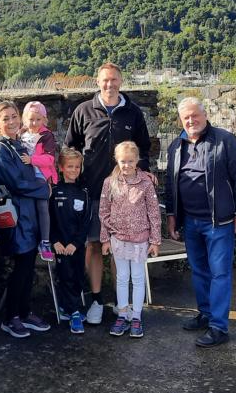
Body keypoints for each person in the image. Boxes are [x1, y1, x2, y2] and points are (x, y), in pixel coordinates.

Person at [65, 63, 152, 325]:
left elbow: (144, 149)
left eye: (114, 80)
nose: (109, 84)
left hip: (126, 195)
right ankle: (96, 301)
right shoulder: (84, 111)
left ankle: (121, 303)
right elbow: (71, 148)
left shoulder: (133, 112)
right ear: (98, 81)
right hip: (92, 191)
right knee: (93, 245)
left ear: (121, 81)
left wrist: (145, 173)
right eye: (105, 80)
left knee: (120, 250)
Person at [164, 97, 236, 348]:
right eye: (186, 118)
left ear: (205, 115)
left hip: (219, 221)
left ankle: (219, 327)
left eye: (195, 115)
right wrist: (172, 216)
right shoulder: (176, 146)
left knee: (220, 273)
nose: (191, 121)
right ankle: (205, 314)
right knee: (199, 272)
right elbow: (171, 185)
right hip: (190, 221)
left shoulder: (225, 141)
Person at [0, 101, 53, 338]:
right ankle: (11, 317)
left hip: (26, 215)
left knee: (27, 267)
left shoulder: (16, 143)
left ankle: (24, 311)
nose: (12, 122)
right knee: (21, 268)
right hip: (16, 217)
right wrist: (44, 190)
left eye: (14, 117)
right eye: (6, 119)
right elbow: (15, 184)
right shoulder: (0, 149)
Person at [99, 141, 161, 339]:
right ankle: (123, 313)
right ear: (117, 161)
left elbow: (153, 212)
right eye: (123, 161)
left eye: (130, 161)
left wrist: (155, 240)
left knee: (138, 278)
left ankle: (136, 316)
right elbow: (103, 211)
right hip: (118, 238)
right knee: (122, 278)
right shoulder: (110, 183)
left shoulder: (145, 183)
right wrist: (105, 239)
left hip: (140, 239)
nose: (126, 165)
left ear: (137, 161)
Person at [48, 148, 91, 333]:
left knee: (79, 277)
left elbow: (86, 223)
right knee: (65, 277)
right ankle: (74, 314)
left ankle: (67, 308)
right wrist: (55, 241)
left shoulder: (84, 192)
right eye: (69, 166)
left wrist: (76, 243)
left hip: (76, 246)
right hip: (60, 246)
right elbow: (48, 220)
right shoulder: (53, 191)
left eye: (77, 166)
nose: (73, 170)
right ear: (61, 168)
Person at [20, 101, 58, 262]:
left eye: (38, 119)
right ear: (24, 119)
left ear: (44, 120)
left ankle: (45, 242)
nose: (34, 123)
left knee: (43, 207)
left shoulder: (47, 136)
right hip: (25, 177)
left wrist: (32, 160)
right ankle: (29, 239)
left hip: (41, 177)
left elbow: (49, 159)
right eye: (31, 119)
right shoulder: (20, 134)